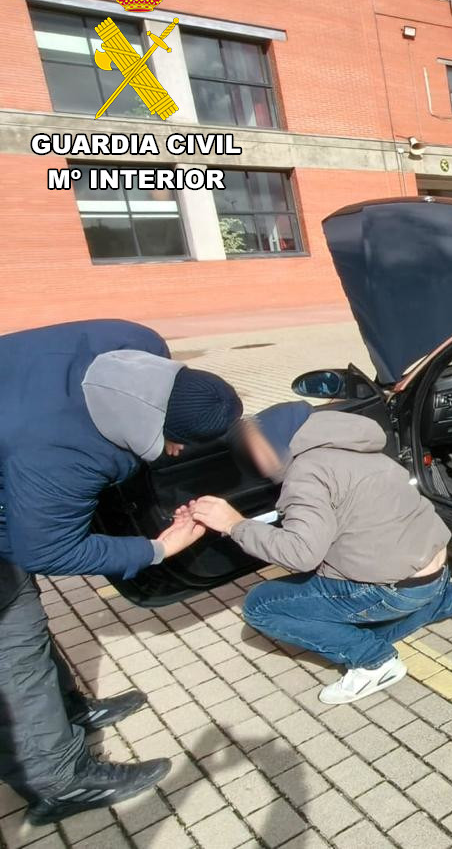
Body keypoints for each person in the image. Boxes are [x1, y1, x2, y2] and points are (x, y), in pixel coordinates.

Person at [0, 319, 241, 824]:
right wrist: (156, 548)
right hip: (23, 447)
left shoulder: (135, 340)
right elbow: (48, 549)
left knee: (25, 623)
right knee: (12, 647)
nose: (178, 454)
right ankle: (59, 781)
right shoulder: (62, 451)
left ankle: (66, 714)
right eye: (176, 442)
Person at [186, 401, 452, 705]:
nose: (258, 461)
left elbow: (301, 554)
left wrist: (234, 525)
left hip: (392, 589)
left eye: (260, 450)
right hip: (435, 568)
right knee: (364, 625)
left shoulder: (307, 474)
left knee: (262, 605)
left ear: (280, 441)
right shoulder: (356, 446)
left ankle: (374, 663)